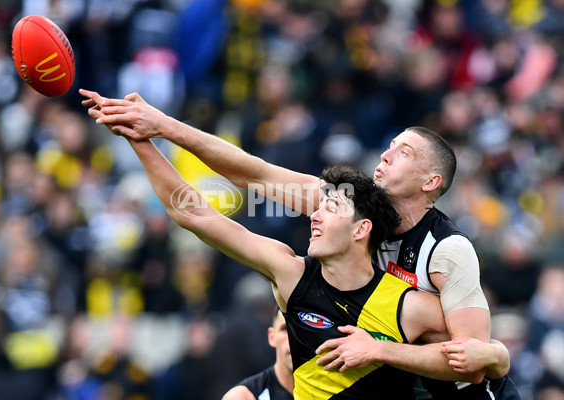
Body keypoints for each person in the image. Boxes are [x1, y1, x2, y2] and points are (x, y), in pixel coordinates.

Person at [79, 90, 520, 399]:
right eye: (388, 145)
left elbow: (476, 361)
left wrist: (384, 348)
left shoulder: (446, 251)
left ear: (431, 181)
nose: (385, 155)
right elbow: (253, 174)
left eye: (403, 152)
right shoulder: (347, 207)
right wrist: (159, 128)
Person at [221, 307, 293, 400]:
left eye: (302, 331)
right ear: (272, 337)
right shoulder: (243, 397)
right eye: (286, 329)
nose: (294, 339)